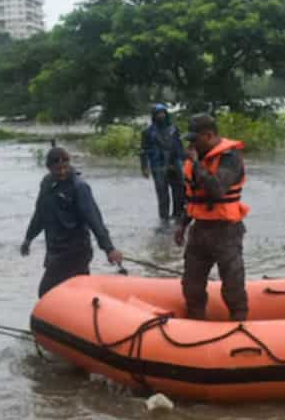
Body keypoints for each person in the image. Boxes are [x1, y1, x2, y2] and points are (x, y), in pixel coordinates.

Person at [174, 114, 249, 321]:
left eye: (194, 140)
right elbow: (191, 198)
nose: (191, 145)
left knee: (232, 284)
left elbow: (217, 190)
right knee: (192, 285)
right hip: (200, 230)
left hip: (226, 230)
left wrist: (197, 165)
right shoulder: (194, 162)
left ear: (209, 135)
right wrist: (182, 225)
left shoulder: (230, 159)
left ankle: (239, 322)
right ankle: (196, 322)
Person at [22, 147, 123, 297]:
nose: (62, 172)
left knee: (46, 292)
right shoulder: (46, 185)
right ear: (49, 168)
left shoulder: (79, 187)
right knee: (74, 293)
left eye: (65, 167)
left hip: (76, 250)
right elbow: (39, 216)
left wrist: (109, 248)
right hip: (55, 251)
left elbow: (94, 219)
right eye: (57, 169)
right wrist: (28, 238)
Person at [140, 104, 185, 224]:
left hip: (175, 163)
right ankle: (164, 218)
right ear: (154, 116)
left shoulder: (173, 129)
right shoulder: (148, 132)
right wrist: (144, 167)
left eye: (163, 113)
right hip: (158, 164)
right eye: (158, 114)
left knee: (179, 190)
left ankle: (178, 214)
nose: (161, 116)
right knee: (162, 193)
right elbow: (143, 150)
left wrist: (184, 162)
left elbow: (179, 147)